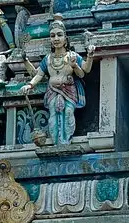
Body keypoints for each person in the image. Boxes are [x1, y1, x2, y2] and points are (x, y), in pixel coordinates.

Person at [21, 14, 95, 145]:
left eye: (59, 35)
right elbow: (38, 75)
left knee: (67, 113)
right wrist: (29, 84)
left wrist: (89, 55)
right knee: (53, 116)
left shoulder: (72, 55)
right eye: (52, 35)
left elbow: (86, 70)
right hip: (52, 92)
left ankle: (65, 141)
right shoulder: (48, 59)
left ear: (65, 39)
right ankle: (57, 143)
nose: (56, 38)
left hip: (69, 91)